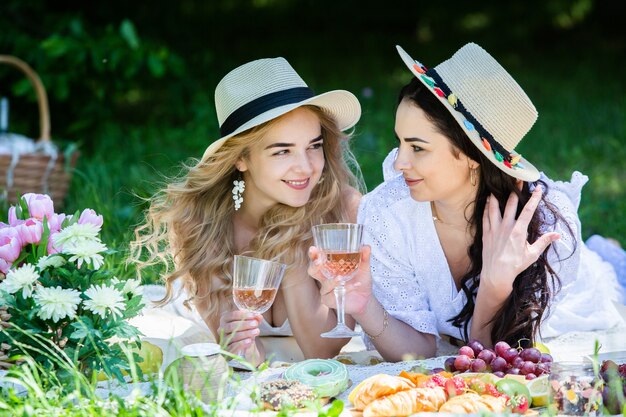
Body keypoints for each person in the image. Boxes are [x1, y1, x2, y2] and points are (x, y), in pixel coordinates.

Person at [310, 43, 625, 361]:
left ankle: (606, 250)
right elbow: (416, 354)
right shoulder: (387, 214)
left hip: (583, 292)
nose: (399, 163)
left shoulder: (548, 226)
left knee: (608, 266)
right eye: (400, 142)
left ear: (473, 156)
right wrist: (366, 307)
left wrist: (493, 287)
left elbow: (500, 357)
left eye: (418, 148)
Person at [131, 57, 364, 366]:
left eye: (314, 145)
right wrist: (247, 352)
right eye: (282, 151)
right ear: (240, 159)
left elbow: (322, 351)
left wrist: (290, 243)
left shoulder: (343, 209)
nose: (307, 167)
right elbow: (237, 349)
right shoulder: (201, 226)